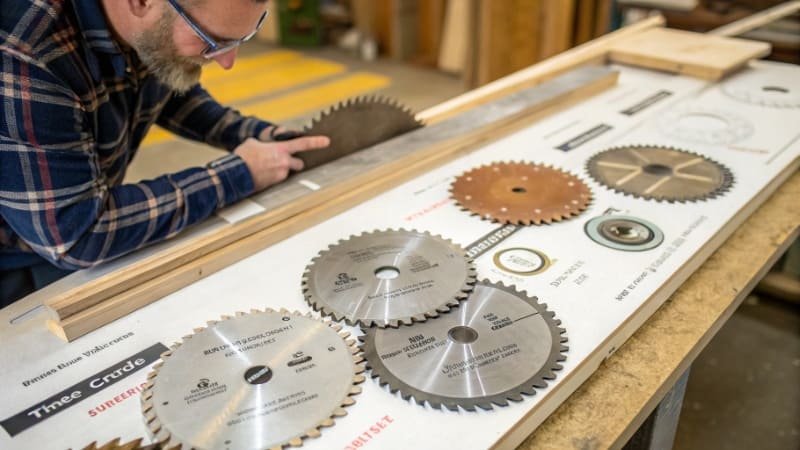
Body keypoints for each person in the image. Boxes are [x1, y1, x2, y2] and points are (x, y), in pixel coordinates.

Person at [0, 0, 330, 308]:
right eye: (213, 41)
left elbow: (169, 89)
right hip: (19, 261)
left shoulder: (145, 28)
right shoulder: (25, 55)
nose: (228, 62)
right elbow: (77, 234)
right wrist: (240, 173)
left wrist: (255, 134)